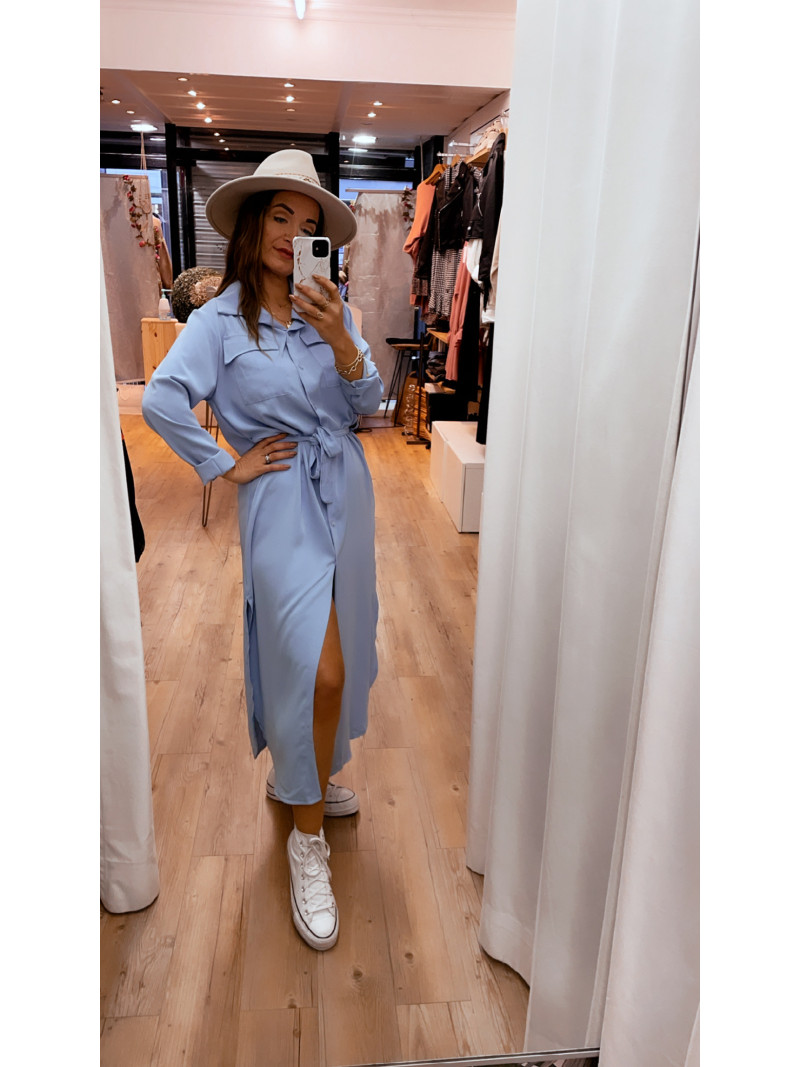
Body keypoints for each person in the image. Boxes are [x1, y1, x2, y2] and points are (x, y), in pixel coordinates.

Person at [141, 150, 383, 951]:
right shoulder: (218, 321)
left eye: (309, 225)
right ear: (253, 224)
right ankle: (305, 844)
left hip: (343, 488)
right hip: (280, 499)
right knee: (314, 667)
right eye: (281, 216)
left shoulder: (329, 308)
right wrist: (225, 463)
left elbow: (368, 401)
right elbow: (164, 398)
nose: (293, 234)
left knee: (342, 652)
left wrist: (340, 337)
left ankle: (304, 777)